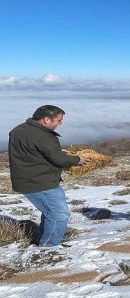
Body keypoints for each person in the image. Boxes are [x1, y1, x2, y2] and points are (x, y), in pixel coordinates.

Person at [8, 105, 88, 247]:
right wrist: (77, 159)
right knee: (59, 214)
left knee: (50, 212)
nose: (60, 123)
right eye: (58, 120)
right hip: (40, 183)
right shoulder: (43, 135)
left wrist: (55, 150)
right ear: (46, 119)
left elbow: (32, 151)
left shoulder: (20, 129)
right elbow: (58, 159)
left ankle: (44, 240)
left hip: (27, 180)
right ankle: (48, 247)